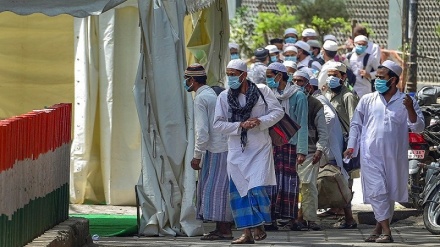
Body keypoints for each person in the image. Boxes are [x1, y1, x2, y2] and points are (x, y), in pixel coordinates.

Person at [343, 60, 425, 243]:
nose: (377, 81)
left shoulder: (406, 101)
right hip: (370, 154)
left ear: (394, 80)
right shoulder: (367, 100)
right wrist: (351, 146)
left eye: (382, 77)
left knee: (387, 194)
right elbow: (356, 124)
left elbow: (418, 127)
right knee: (377, 191)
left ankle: (377, 228)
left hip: (395, 156)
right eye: (377, 77)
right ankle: (387, 232)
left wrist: (410, 108)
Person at [213, 59, 284, 244]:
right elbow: (218, 124)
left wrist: (260, 121)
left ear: (244, 75)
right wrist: (240, 125)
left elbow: (278, 112)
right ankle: (246, 233)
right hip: (237, 150)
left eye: (233, 74)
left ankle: (259, 223)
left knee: (257, 187)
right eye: (228, 74)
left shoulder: (262, 91)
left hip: (260, 147)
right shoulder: (224, 97)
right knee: (239, 190)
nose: (230, 78)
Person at [182, 64, 234, 240]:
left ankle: (224, 229)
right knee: (218, 189)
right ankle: (222, 227)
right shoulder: (212, 94)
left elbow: (202, 131)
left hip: (216, 149)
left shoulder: (201, 99)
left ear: (192, 80)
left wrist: (197, 156)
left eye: (186, 79)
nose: (186, 83)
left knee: (214, 190)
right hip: (222, 147)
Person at [264, 62, 308, 231]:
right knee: (272, 181)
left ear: (279, 76)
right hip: (273, 144)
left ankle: (290, 219)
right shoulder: (269, 94)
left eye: (270, 76)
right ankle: (271, 218)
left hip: (291, 145)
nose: (268, 80)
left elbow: (302, 123)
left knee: (289, 183)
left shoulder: (298, 96)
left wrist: (302, 151)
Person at [291, 69, 329, 231]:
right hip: (289, 150)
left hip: (310, 151)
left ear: (308, 86)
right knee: (291, 187)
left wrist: (320, 150)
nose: (296, 84)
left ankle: (311, 219)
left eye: (300, 81)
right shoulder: (288, 100)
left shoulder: (315, 104)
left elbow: (323, 131)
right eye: (294, 81)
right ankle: (294, 217)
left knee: (308, 186)